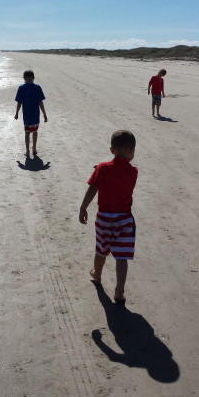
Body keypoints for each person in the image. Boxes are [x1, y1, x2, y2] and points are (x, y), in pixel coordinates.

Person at [79, 130, 138, 304]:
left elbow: (93, 188)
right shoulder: (133, 171)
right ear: (132, 150)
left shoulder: (103, 168)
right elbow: (119, 174)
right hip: (124, 220)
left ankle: (97, 275)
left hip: (105, 219)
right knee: (121, 257)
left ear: (112, 150)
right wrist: (101, 169)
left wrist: (83, 208)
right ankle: (119, 291)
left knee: (101, 250)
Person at [14, 70, 47, 157]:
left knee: (34, 132)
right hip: (27, 115)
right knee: (27, 132)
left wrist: (44, 113)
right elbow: (19, 102)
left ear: (33, 78)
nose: (29, 79)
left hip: (35, 114)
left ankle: (34, 148)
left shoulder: (37, 87)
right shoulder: (21, 88)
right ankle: (27, 150)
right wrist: (16, 113)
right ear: (24, 78)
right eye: (27, 77)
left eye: (30, 77)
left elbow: (40, 102)